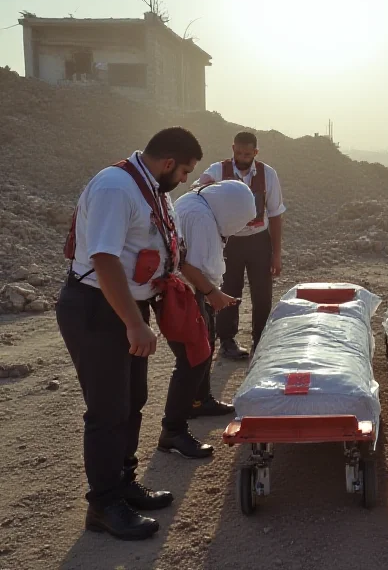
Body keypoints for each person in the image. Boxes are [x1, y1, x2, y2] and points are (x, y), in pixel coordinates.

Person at [56, 127, 204, 540]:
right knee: (107, 411)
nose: (186, 181)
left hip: (124, 307)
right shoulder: (116, 187)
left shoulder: (152, 189)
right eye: (186, 172)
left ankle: (123, 483)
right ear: (169, 163)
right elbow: (103, 259)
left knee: (132, 400)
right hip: (97, 307)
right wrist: (134, 323)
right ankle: (103, 505)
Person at [158, 179, 258, 456]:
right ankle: (173, 431)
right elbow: (188, 264)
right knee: (193, 357)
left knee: (205, 348)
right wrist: (212, 292)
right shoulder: (201, 218)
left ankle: (200, 401)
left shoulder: (197, 201)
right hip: (188, 293)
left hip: (194, 291)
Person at [194, 131, 286, 365]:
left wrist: (276, 254)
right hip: (229, 241)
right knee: (228, 290)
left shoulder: (268, 174)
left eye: (247, 154)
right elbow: (196, 194)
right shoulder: (217, 171)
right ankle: (227, 341)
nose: (242, 157)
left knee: (262, 293)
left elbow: (275, 214)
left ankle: (260, 341)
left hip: (258, 240)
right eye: (238, 153)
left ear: (255, 152)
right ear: (232, 149)